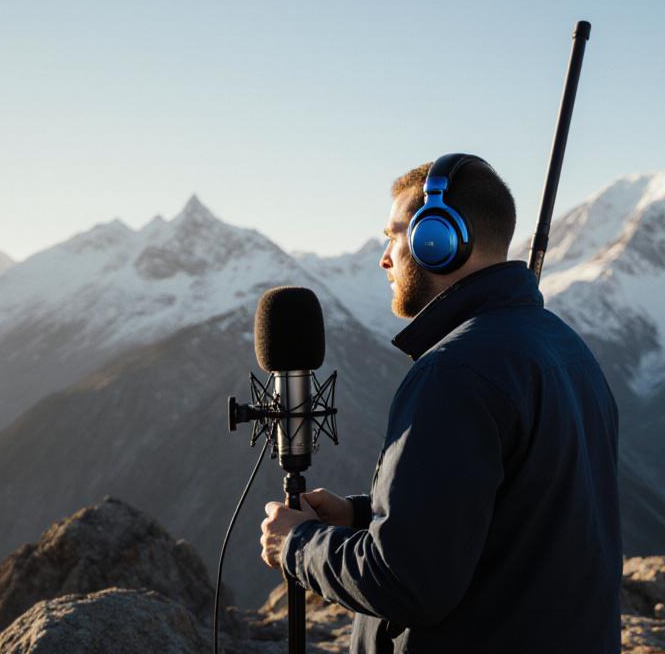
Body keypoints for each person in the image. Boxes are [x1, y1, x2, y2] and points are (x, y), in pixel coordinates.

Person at [259, 154, 620, 652]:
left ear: (438, 241)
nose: (384, 258)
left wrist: (297, 544)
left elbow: (408, 582)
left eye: (393, 236)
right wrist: (361, 516)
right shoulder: (567, 348)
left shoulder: (455, 371)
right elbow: (517, 513)